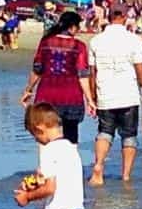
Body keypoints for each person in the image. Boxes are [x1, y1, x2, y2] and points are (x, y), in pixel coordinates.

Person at [88, 7, 142, 184]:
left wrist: (93, 96)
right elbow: (141, 70)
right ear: (125, 17)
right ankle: (126, 175)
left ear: (108, 17)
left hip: (105, 93)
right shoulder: (133, 40)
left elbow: (92, 72)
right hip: (128, 94)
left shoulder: (96, 41)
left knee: (104, 132)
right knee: (129, 135)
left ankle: (99, 165)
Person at [21, 11, 95, 145]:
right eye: (78, 27)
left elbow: (37, 69)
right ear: (72, 27)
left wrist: (29, 90)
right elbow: (82, 75)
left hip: (47, 95)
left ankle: (46, 165)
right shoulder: (79, 46)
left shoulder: (46, 42)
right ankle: (70, 164)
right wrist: (90, 100)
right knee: (71, 135)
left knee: (45, 136)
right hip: (71, 96)